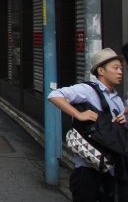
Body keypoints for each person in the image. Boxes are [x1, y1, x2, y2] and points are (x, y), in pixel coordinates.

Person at [48, 47, 126, 202]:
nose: (120, 72)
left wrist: (122, 120)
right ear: (101, 71)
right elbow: (54, 95)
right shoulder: (88, 90)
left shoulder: (116, 98)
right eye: (115, 68)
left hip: (110, 169)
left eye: (121, 69)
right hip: (87, 169)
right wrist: (78, 114)